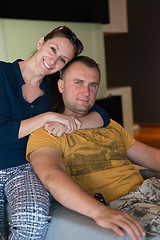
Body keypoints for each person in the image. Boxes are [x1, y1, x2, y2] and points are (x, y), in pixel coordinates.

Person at [27, 55, 160, 240]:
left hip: (151, 188)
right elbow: (51, 175)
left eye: (93, 85)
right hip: (123, 204)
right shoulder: (46, 133)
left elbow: (152, 157)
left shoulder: (108, 124)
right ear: (61, 86)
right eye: (78, 82)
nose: (86, 91)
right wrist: (99, 212)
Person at [0, 27, 110, 240]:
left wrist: (72, 122)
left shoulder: (53, 90)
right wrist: (47, 117)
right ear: (41, 42)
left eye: (62, 60)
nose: (53, 61)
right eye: (52, 49)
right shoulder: (3, 74)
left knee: (34, 220)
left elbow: (102, 115)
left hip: (25, 167)